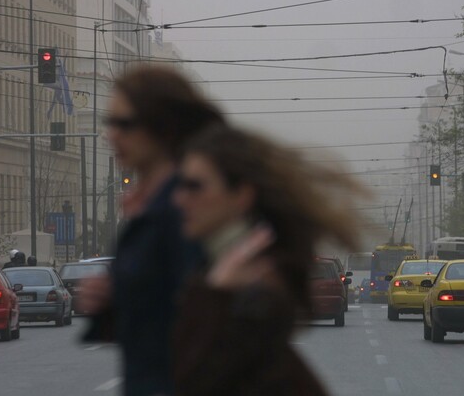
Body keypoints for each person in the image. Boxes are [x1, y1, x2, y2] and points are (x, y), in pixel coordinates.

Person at [172, 126, 363, 395]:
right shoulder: (214, 270)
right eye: (179, 185)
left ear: (241, 195)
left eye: (194, 187)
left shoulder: (254, 285)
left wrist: (213, 295)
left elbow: (195, 376)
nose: (179, 199)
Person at [80, 66, 224, 396]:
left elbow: (198, 324)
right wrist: (113, 300)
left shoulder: (183, 207)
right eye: (109, 124)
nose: (112, 135)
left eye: (125, 124)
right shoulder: (152, 205)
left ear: (165, 127)